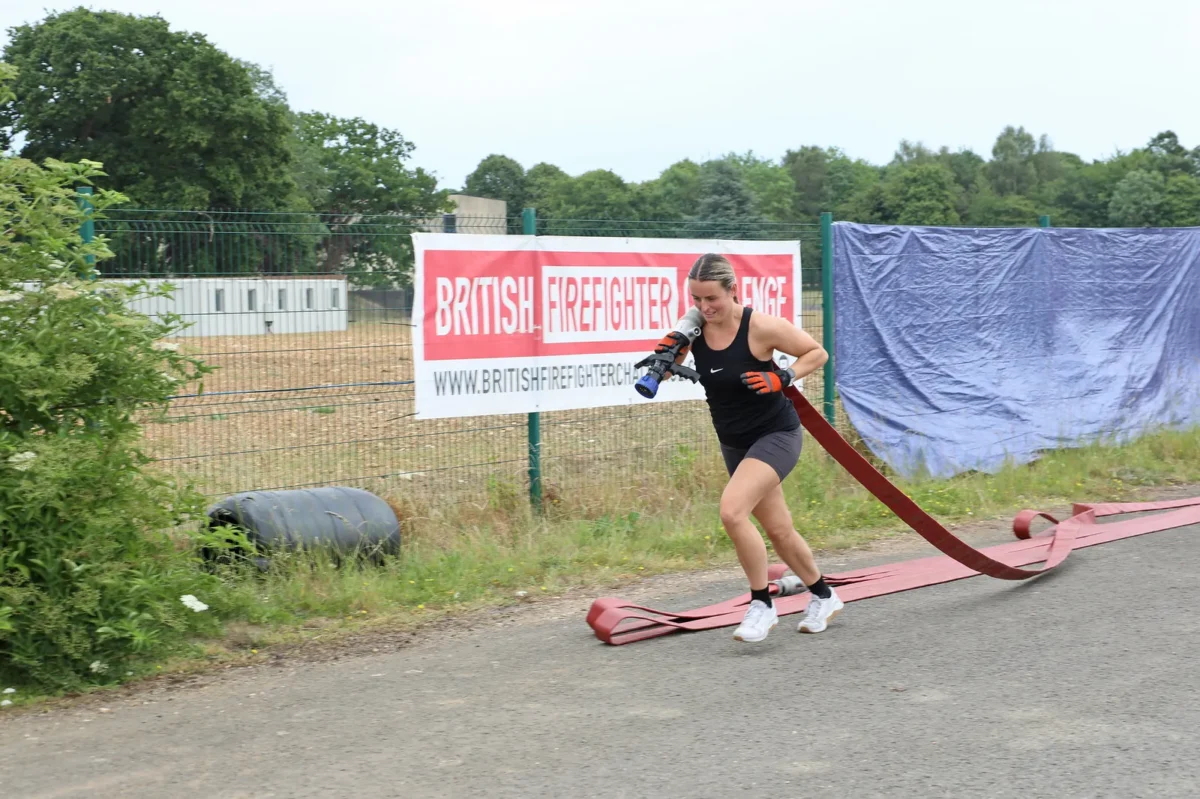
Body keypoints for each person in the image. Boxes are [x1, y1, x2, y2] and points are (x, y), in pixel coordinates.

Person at [656, 253, 843, 642]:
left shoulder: (759, 327)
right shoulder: (694, 330)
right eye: (696, 299)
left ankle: (761, 603)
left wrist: (783, 377)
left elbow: (817, 353)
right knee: (779, 530)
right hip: (734, 442)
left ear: (733, 291)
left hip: (776, 434)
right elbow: (674, 358)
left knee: (732, 511)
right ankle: (824, 596)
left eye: (712, 299)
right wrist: (666, 358)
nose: (705, 308)